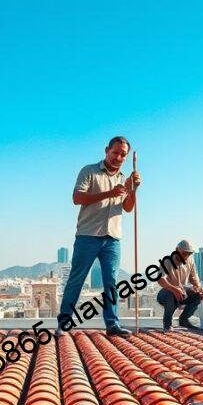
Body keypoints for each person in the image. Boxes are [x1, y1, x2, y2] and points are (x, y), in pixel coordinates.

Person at [57, 136, 141, 337]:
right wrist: (109, 193)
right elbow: (77, 198)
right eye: (115, 153)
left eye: (123, 155)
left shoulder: (123, 178)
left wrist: (133, 189)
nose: (118, 157)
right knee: (76, 279)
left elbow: (128, 208)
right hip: (87, 235)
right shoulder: (89, 171)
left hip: (112, 237)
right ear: (106, 150)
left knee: (111, 282)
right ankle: (63, 323)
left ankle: (112, 325)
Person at [156, 239, 203, 330]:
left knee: (199, 295)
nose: (186, 256)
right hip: (166, 293)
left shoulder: (190, 261)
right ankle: (167, 324)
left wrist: (198, 288)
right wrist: (174, 289)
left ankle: (184, 320)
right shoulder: (167, 261)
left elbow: (194, 278)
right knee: (169, 295)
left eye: (189, 254)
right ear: (177, 250)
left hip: (182, 293)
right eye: (184, 253)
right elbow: (160, 279)